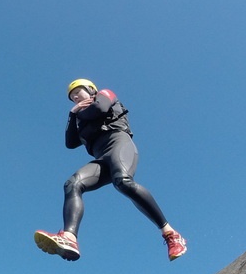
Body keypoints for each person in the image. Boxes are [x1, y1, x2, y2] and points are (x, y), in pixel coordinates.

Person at [35, 79, 187, 263]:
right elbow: (70, 143)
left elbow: (99, 109)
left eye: (77, 92)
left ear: (91, 90)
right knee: (72, 184)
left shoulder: (104, 95)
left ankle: (170, 234)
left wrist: (79, 113)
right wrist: (72, 114)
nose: (75, 98)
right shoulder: (79, 115)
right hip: (101, 158)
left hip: (118, 144)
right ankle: (69, 237)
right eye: (72, 97)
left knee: (123, 182)